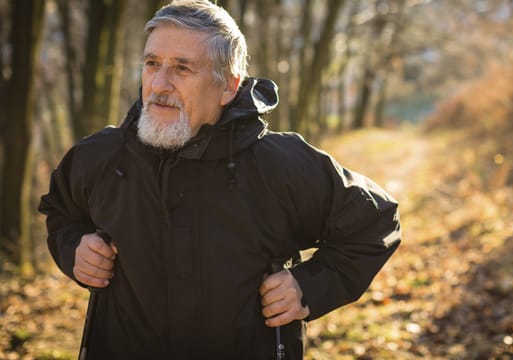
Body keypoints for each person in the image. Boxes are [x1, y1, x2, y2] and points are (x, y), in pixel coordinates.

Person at [38, 0, 401, 359]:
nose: (159, 84)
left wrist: (310, 288)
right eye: (152, 64)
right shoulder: (99, 156)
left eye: (182, 68)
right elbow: (61, 213)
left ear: (228, 86)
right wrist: (73, 249)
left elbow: (376, 221)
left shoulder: (280, 165)